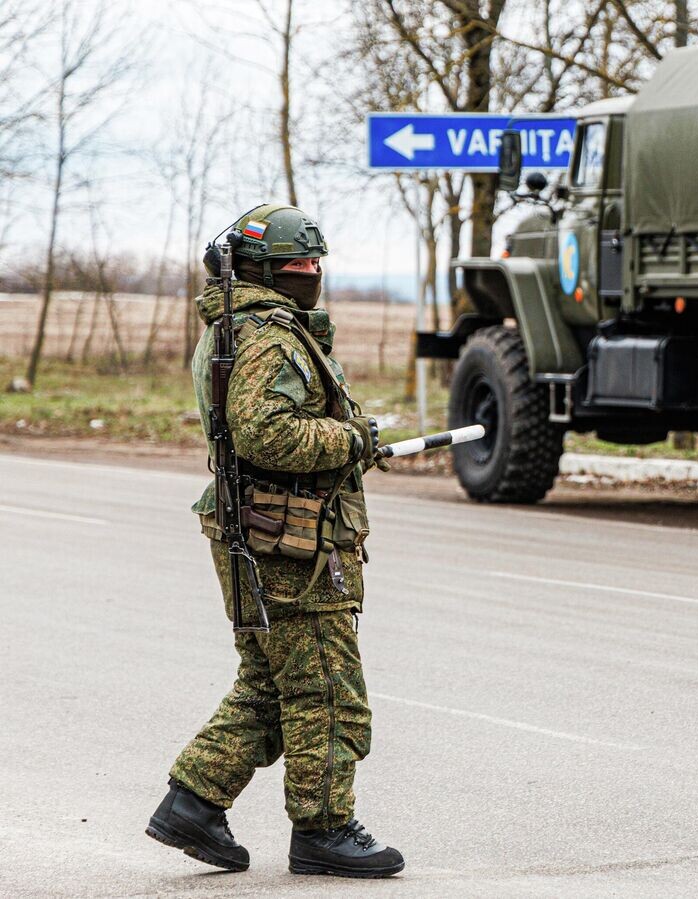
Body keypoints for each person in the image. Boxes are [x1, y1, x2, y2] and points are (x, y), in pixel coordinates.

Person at [145, 204, 404, 879]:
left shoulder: (250, 326)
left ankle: (194, 801)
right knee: (325, 689)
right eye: (298, 263)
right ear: (262, 270)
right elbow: (269, 434)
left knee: (271, 683)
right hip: (288, 542)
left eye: (316, 261)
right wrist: (354, 440)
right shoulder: (267, 335)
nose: (312, 273)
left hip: (262, 533)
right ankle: (323, 830)